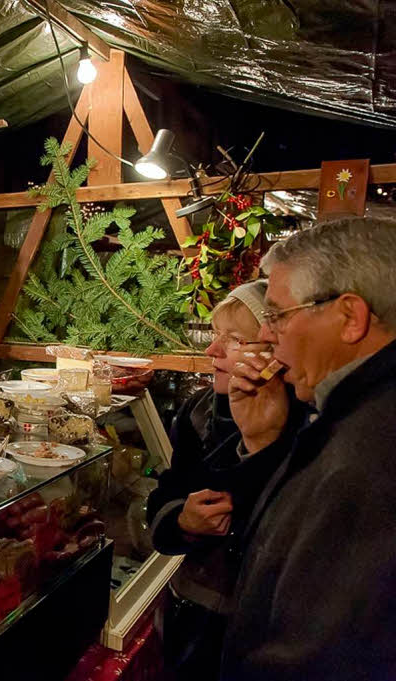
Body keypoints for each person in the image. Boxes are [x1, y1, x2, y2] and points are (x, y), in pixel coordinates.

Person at [221, 217, 396, 681]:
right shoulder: (346, 409)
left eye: (277, 314)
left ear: (350, 317)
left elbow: (321, 657)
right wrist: (261, 440)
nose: (269, 334)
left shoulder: (375, 455)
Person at [146, 281, 305, 680]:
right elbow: (166, 495)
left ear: (272, 353)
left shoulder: (303, 426)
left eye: (233, 340)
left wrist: (259, 442)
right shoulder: (197, 412)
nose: (211, 351)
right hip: (188, 606)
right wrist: (181, 521)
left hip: (255, 630)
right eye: (215, 336)